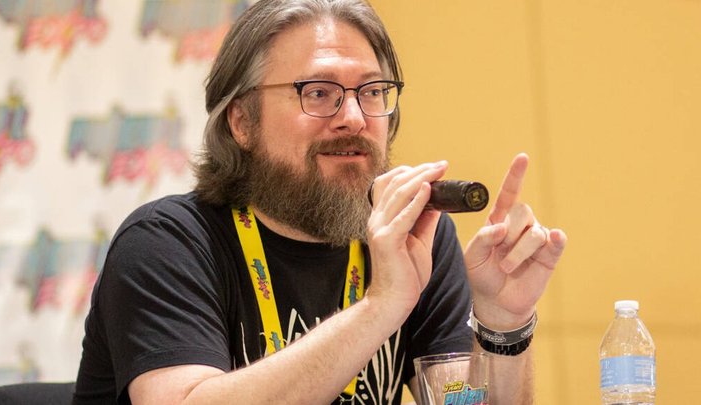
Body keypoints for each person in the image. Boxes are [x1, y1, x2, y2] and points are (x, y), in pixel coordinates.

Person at [73, 0, 567, 404]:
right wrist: (380, 307)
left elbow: (462, 401)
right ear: (242, 122)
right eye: (318, 92)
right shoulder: (166, 243)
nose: (354, 117)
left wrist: (502, 326)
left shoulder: (417, 238)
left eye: (371, 92)